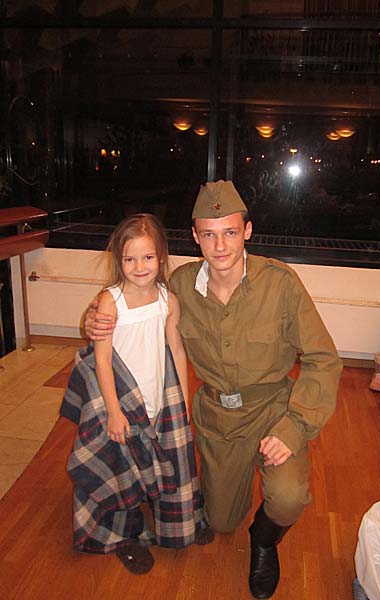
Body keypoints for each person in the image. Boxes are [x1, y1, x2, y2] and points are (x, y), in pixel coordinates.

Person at [85, 182, 342, 599]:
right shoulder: (180, 285)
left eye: (230, 232)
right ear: (195, 236)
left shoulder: (281, 284)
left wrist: (294, 427)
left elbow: (323, 359)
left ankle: (264, 540)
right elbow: (132, 299)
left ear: (248, 231)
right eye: (209, 234)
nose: (220, 245)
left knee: (287, 498)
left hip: (274, 410)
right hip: (218, 419)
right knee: (221, 522)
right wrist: (93, 319)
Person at [61, 213, 212, 576]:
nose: (139, 266)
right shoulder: (110, 301)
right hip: (121, 403)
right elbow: (101, 360)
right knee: (122, 470)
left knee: (167, 461)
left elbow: (175, 349)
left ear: (161, 257)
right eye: (130, 259)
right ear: (119, 259)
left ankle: (180, 521)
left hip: (158, 402)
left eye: (147, 257)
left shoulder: (167, 300)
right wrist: (114, 412)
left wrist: (181, 403)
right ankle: (123, 536)